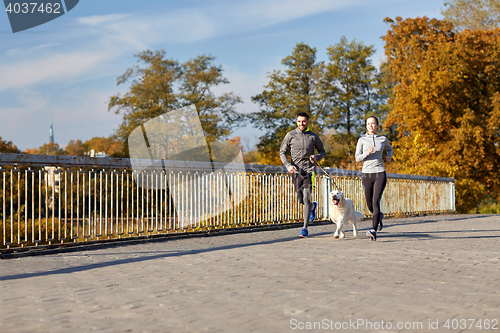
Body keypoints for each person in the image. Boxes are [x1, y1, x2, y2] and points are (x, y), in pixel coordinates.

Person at [280, 112, 326, 238]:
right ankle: (312, 206)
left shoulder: (313, 137)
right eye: (299, 121)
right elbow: (282, 152)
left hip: (309, 171)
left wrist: (316, 157)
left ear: (308, 122)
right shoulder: (290, 135)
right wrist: (288, 166)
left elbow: (322, 151)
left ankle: (304, 228)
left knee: (306, 198)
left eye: (304, 121)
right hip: (295, 172)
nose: (301, 123)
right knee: (300, 198)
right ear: (296, 122)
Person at [355, 116, 393, 241]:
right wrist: (367, 153)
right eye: (368, 124)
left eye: (373, 124)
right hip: (366, 174)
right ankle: (379, 216)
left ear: (377, 126)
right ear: (366, 126)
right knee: (370, 204)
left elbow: (389, 148)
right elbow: (357, 158)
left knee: (376, 201)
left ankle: (373, 230)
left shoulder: (383, 139)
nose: (370, 126)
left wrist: (389, 156)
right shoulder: (362, 140)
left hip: (380, 173)